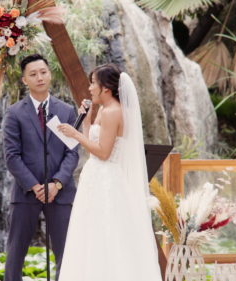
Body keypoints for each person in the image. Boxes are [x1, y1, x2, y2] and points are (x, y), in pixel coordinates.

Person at [57, 64, 163, 280]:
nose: (89, 88)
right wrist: (86, 124)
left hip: (107, 179)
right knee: (91, 235)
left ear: (106, 87)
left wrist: (75, 135)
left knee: (108, 234)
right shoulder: (104, 110)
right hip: (95, 177)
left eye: (93, 83)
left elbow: (104, 153)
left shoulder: (113, 112)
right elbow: (94, 151)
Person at [3, 54, 79, 281]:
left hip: (60, 192)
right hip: (27, 192)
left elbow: (73, 152)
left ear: (50, 73)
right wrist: (36, 186)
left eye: (43, 72)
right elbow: (11, 156)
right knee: (15, 252)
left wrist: (56, 183)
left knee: (65, 253)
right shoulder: (14, 112)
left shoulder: (66, 111)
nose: (39, 77)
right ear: (24, 80)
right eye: (33, 74)